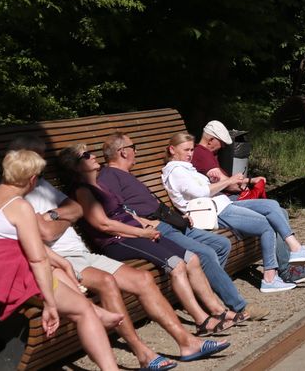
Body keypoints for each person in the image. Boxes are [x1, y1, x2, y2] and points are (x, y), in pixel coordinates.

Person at [10, 136, 230, 367]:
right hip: (62, 258)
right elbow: (49, 232)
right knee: (108, 282)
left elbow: (75, 210)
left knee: (144, 278)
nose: (42, 161)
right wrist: (65, 216)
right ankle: (143, 353)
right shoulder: (18, 196)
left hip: (84, 252)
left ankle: (188, 343)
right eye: (36, 156)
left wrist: (55, 216)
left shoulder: (43, 186)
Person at [60, 143, 244, 337]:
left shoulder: (100, 184)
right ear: (76, 166)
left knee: (192, 259)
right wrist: (141, 233)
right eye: (86, 155)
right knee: (177, 265)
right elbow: (103, 225)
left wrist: (144, 223)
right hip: (118, 240)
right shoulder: (83, 191)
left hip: (136, 232)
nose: (93, 156)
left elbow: (124, 211)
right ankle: (201, 320)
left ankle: (219, 310)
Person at [0, 150, 123, 371]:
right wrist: (49, 303)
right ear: (32, 179)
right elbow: (37, 260)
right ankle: (107, 359)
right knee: (82, 311)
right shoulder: (19, 206)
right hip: (5, 279)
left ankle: (97, 313)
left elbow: (21, 246)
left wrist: (63, 262)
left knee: (57, 270)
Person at [98, 132, 269, 321]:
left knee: (222, 244)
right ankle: (239, 306)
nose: (136, 152)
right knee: (206, 254)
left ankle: (203, 294)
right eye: (133, 147)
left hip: (173, 222)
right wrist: (143, 225)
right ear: (123, 152)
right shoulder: (109, 175)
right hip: (158, 227)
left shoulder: (124, 175)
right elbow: (117, 210)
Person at [162, 132, 305, 293]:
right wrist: (228, 181)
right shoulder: (176, 171)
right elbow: (200, 192)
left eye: (191, 150)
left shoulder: (186, 169)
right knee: (266, 224)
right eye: (186, 150)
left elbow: (202, 190)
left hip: (223, 204)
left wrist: (217, 182)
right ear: (172, 150)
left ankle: (295, 248)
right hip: (214, 212)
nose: (190, 154)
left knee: (271, 205)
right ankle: (270, 279)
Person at [193, 120, 305, 266]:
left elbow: (225, 181)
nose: (223, 147)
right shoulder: (203, 154)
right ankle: (290, 260)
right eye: (222, 143)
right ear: (211, 140)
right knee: (273, 210)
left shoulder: (206, 154)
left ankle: (290, 261)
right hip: (226, 203)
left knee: (280, 212)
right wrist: (245, 183)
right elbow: (229, 184)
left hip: (227, 201)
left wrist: (250, 181)